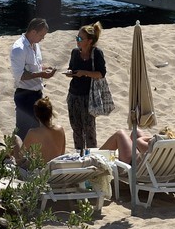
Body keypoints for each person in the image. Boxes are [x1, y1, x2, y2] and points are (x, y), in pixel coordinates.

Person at [8, 17, 56, 137]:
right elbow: (20, 75)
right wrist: (42, 74)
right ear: (33, 32)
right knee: (24, 131)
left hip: (37, 93)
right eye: (41, 35)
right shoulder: (19, 48)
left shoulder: (35, 44)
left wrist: (45, 69)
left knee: (38, 129)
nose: (42, 38)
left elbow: (35, 67)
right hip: (25, 95)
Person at [64, 22, 108, 151]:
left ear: (89, 41)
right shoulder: (75, 53)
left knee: (89, 130)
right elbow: (71, 68)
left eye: (80, 39)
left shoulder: (97, 53)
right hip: (73, 94)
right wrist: (70, 73)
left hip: (89, 97)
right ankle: (79, 155)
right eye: (76, 38)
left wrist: (84, 73)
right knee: (76, 129)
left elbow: (101, 74)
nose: (77, 41)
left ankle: (92, 156)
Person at [11, 97, 67, 171]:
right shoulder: (60, 130)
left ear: (36, 115)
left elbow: (21, 156)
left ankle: (3, 158)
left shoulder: (33, 133)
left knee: (15, 138)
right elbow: (62, 153)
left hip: (38, 172)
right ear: (51, 113)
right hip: (54, 170)